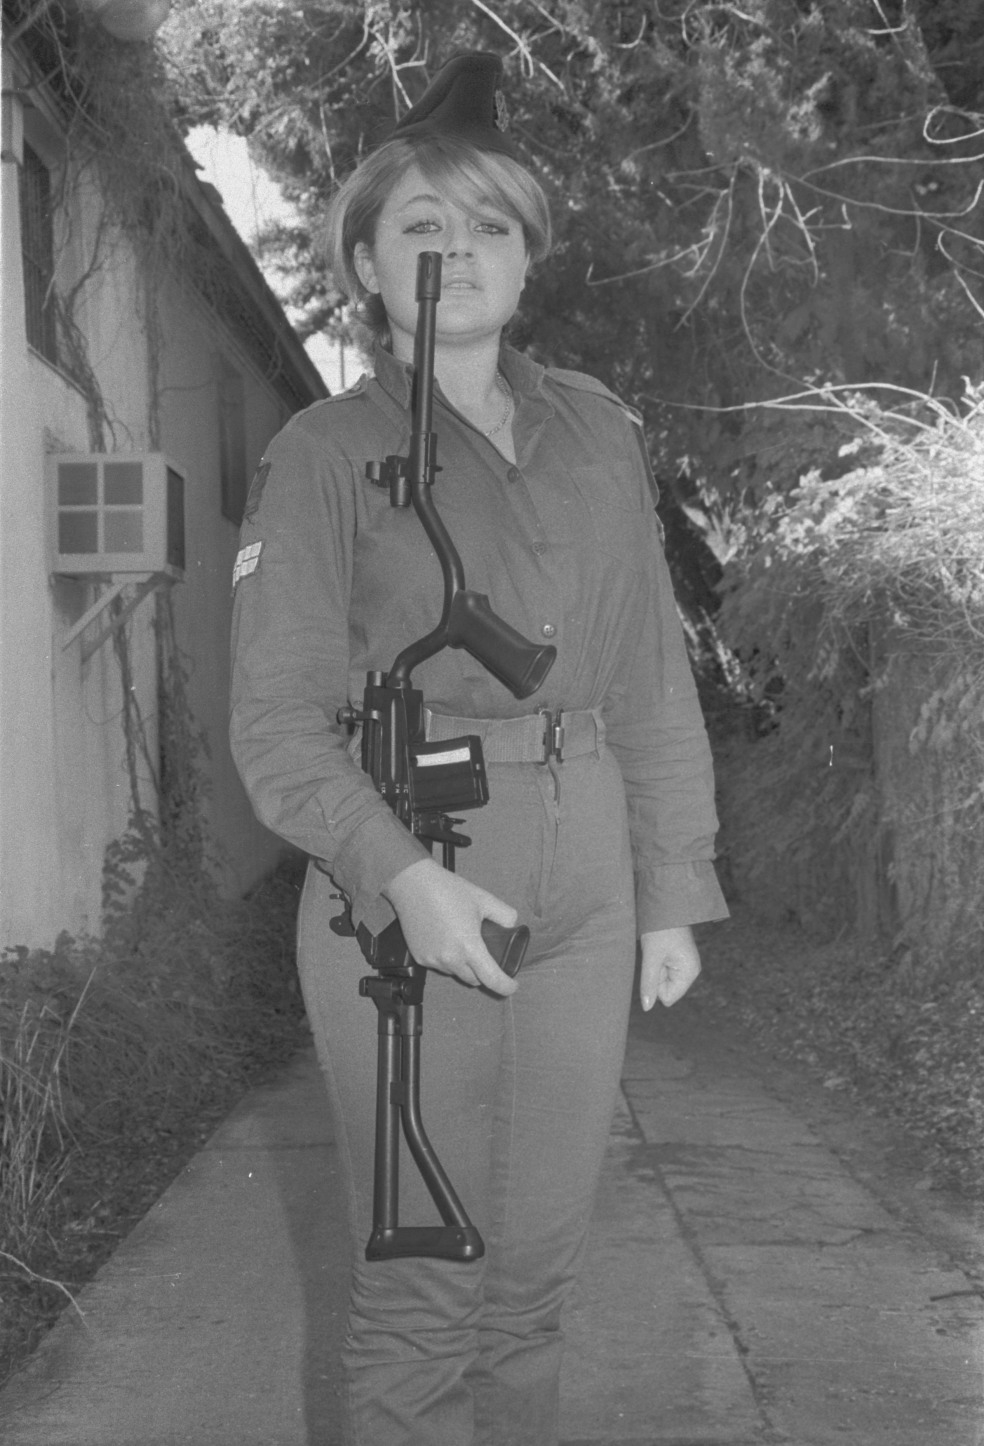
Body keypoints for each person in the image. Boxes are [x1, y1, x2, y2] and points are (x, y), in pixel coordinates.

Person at [229, 50, 729, 1446]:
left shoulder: (598, 431)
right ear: (372, 266)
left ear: (529, 254)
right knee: (421, 1290)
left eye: (492, 225)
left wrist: (671, 882)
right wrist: (400, 875)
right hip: (418, 881)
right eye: (425, 231)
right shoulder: (325, 457)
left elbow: (646, 667)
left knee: (535, 1282)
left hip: (587, 887)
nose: (463, 253)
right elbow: (275, 724)